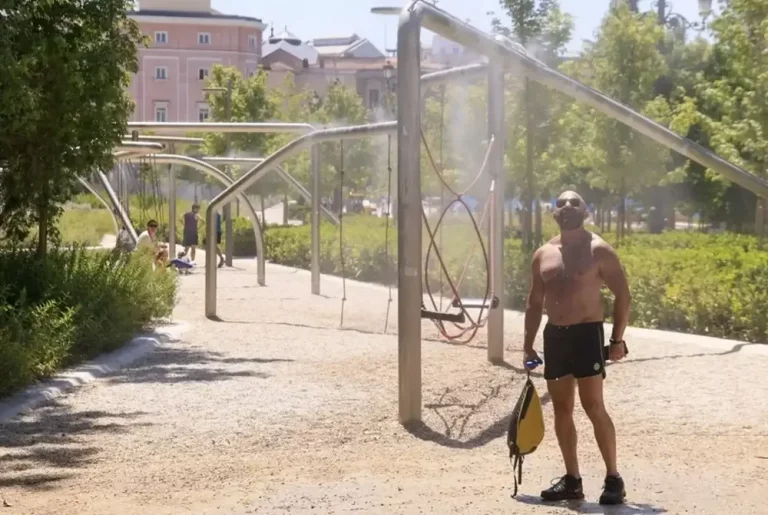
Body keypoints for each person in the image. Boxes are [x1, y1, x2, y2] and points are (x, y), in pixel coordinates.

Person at [523, 190, 631, 506]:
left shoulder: (600, 251)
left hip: (587, 334)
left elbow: (623, 295)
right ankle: (572, 481)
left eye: (575, 202)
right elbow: (533, 303)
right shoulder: (543, 253)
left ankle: (614, 479)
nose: (567, 207)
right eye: (561, 203)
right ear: (553, 212)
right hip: (555, 336)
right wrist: (528, 345)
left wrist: (617, 339)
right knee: (561, 409)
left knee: (593, 405)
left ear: (585, 211)